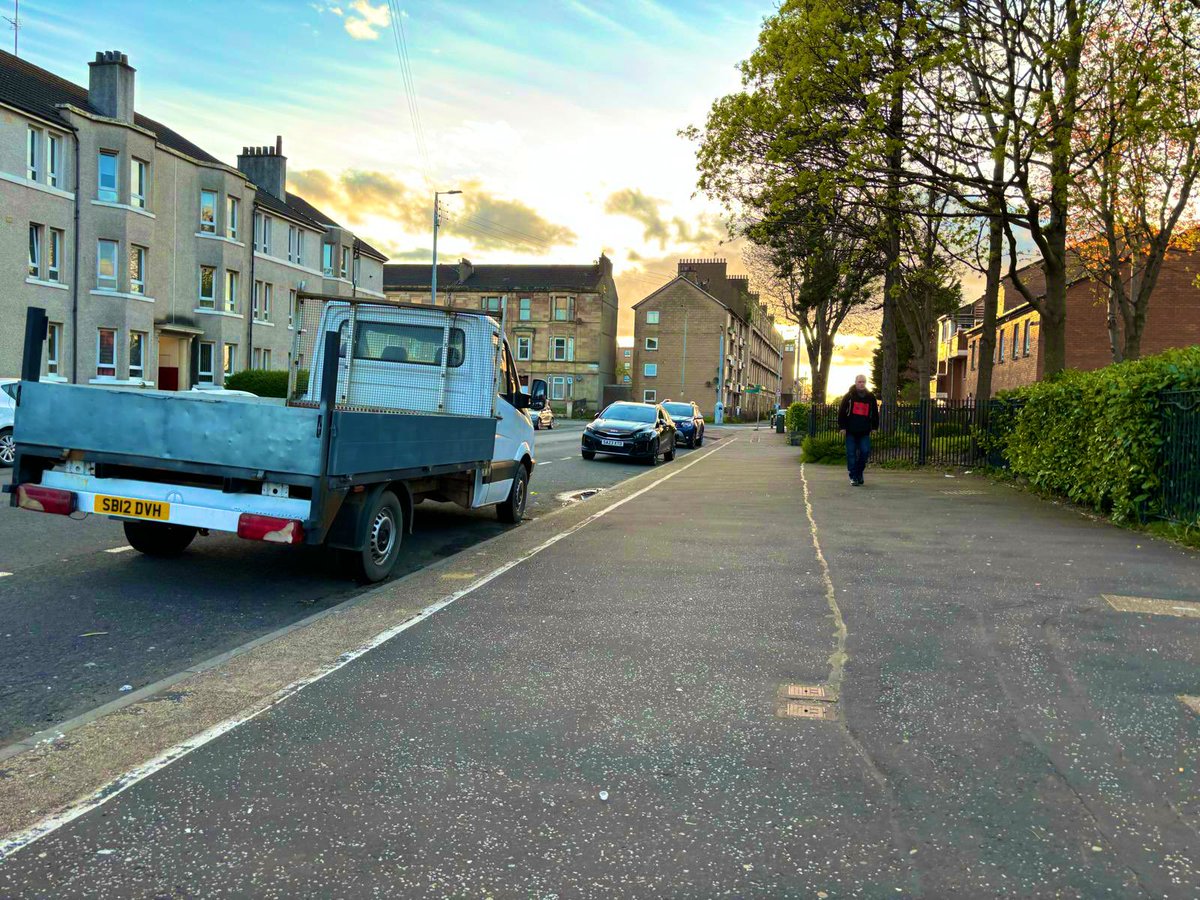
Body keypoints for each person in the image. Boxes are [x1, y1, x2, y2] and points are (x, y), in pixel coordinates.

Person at [837, 374, 880, 486]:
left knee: (865, 452)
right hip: (850, 431)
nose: (861, 384)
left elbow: (875, 413)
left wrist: (874, 427)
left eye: (863, 382)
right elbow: (842, 412)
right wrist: (842, 427)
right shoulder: (849, 396)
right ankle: (853, 476)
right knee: (851, 454)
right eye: (860, 382)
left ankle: (859, 473)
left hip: (864, 431)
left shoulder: (870, 397)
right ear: (855, 382)